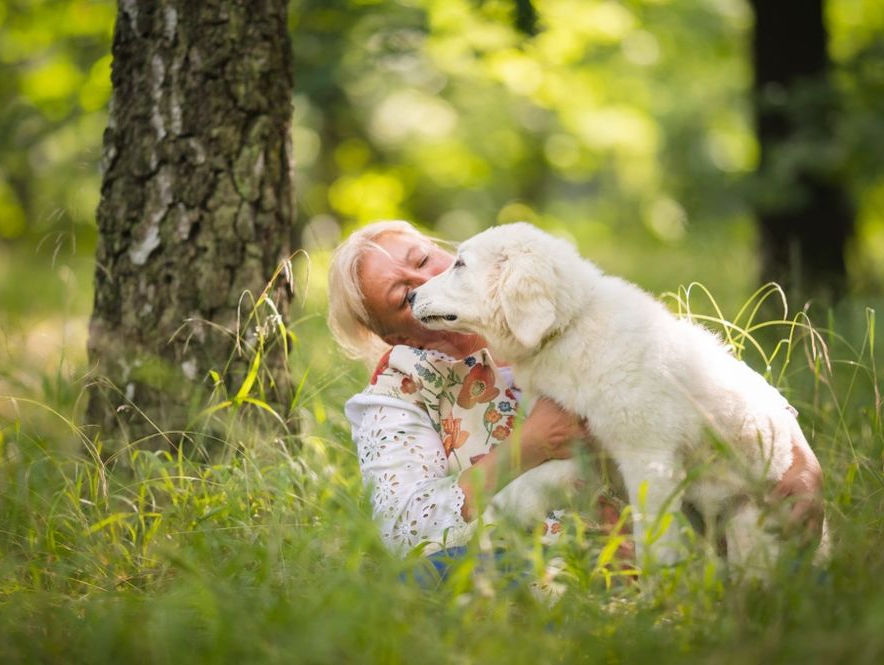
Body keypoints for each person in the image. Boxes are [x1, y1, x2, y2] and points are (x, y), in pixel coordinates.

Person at [327, 219, 824, 562]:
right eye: (400, 294)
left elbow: (701, 372)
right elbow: (404, 533)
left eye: (425, 257)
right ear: (393, 336)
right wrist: (529, 447)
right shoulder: (393, 403)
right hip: (528, 565)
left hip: (681, 538)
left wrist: (800, 459)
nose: (425, 280)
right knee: (433, 574)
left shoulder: (557, 311)